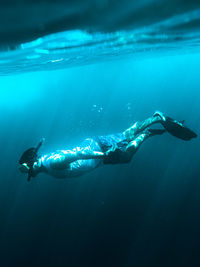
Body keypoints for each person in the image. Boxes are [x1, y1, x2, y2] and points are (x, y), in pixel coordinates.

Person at [19, 111, 197, 181]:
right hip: (98, 155)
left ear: (31, 164)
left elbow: (80, 154)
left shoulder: (52, 162)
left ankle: (154, 122)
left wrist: (104, 155)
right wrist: (103, 158)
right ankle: (150, 126)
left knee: (126, 142)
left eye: (27, 171)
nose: (30, 175)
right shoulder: (47, 163)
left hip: (98, 150)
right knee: (126, 142)